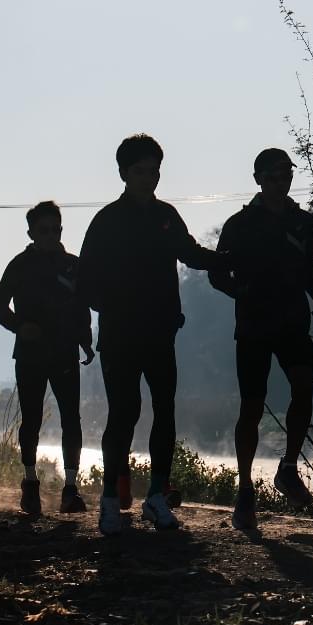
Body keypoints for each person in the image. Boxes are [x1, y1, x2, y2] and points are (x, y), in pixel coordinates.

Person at [78, 133, 225, 535]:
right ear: (123, 173)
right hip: (119, 335)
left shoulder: (167, 216)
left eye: (154, 171)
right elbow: (85, 280)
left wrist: (229, 259)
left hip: (160, 334)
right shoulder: (107, 220)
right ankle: (110, 499)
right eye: (140, 171)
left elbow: (191, 253)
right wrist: (112, 307)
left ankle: (157, 497)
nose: (149, 178)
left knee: (164, 410)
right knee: (124, 413)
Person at [208, 148, 313, 530]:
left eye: (286, 175)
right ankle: (245, 491)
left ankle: (288, 468)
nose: (281, 182)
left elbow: (309, 269)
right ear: (258, 179)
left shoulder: (304, 223)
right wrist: (240, 292)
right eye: (273, 176)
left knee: (303, 390)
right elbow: (216, 273)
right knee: (252, 407)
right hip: (254, 326)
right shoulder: (239, 224)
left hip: (293, 322)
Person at [0, 202, 95, 514]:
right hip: (30, 355)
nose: (50, 235)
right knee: (32, 419)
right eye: (44, 230)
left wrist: (86, 340)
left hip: (65, 352)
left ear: (61, 230)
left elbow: (82, 306)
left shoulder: (73, 265)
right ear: (31, 233)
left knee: (71, 419)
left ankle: (71, 489)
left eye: (55, 230)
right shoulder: (19, 265)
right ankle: (30, 483)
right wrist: (20, 327)